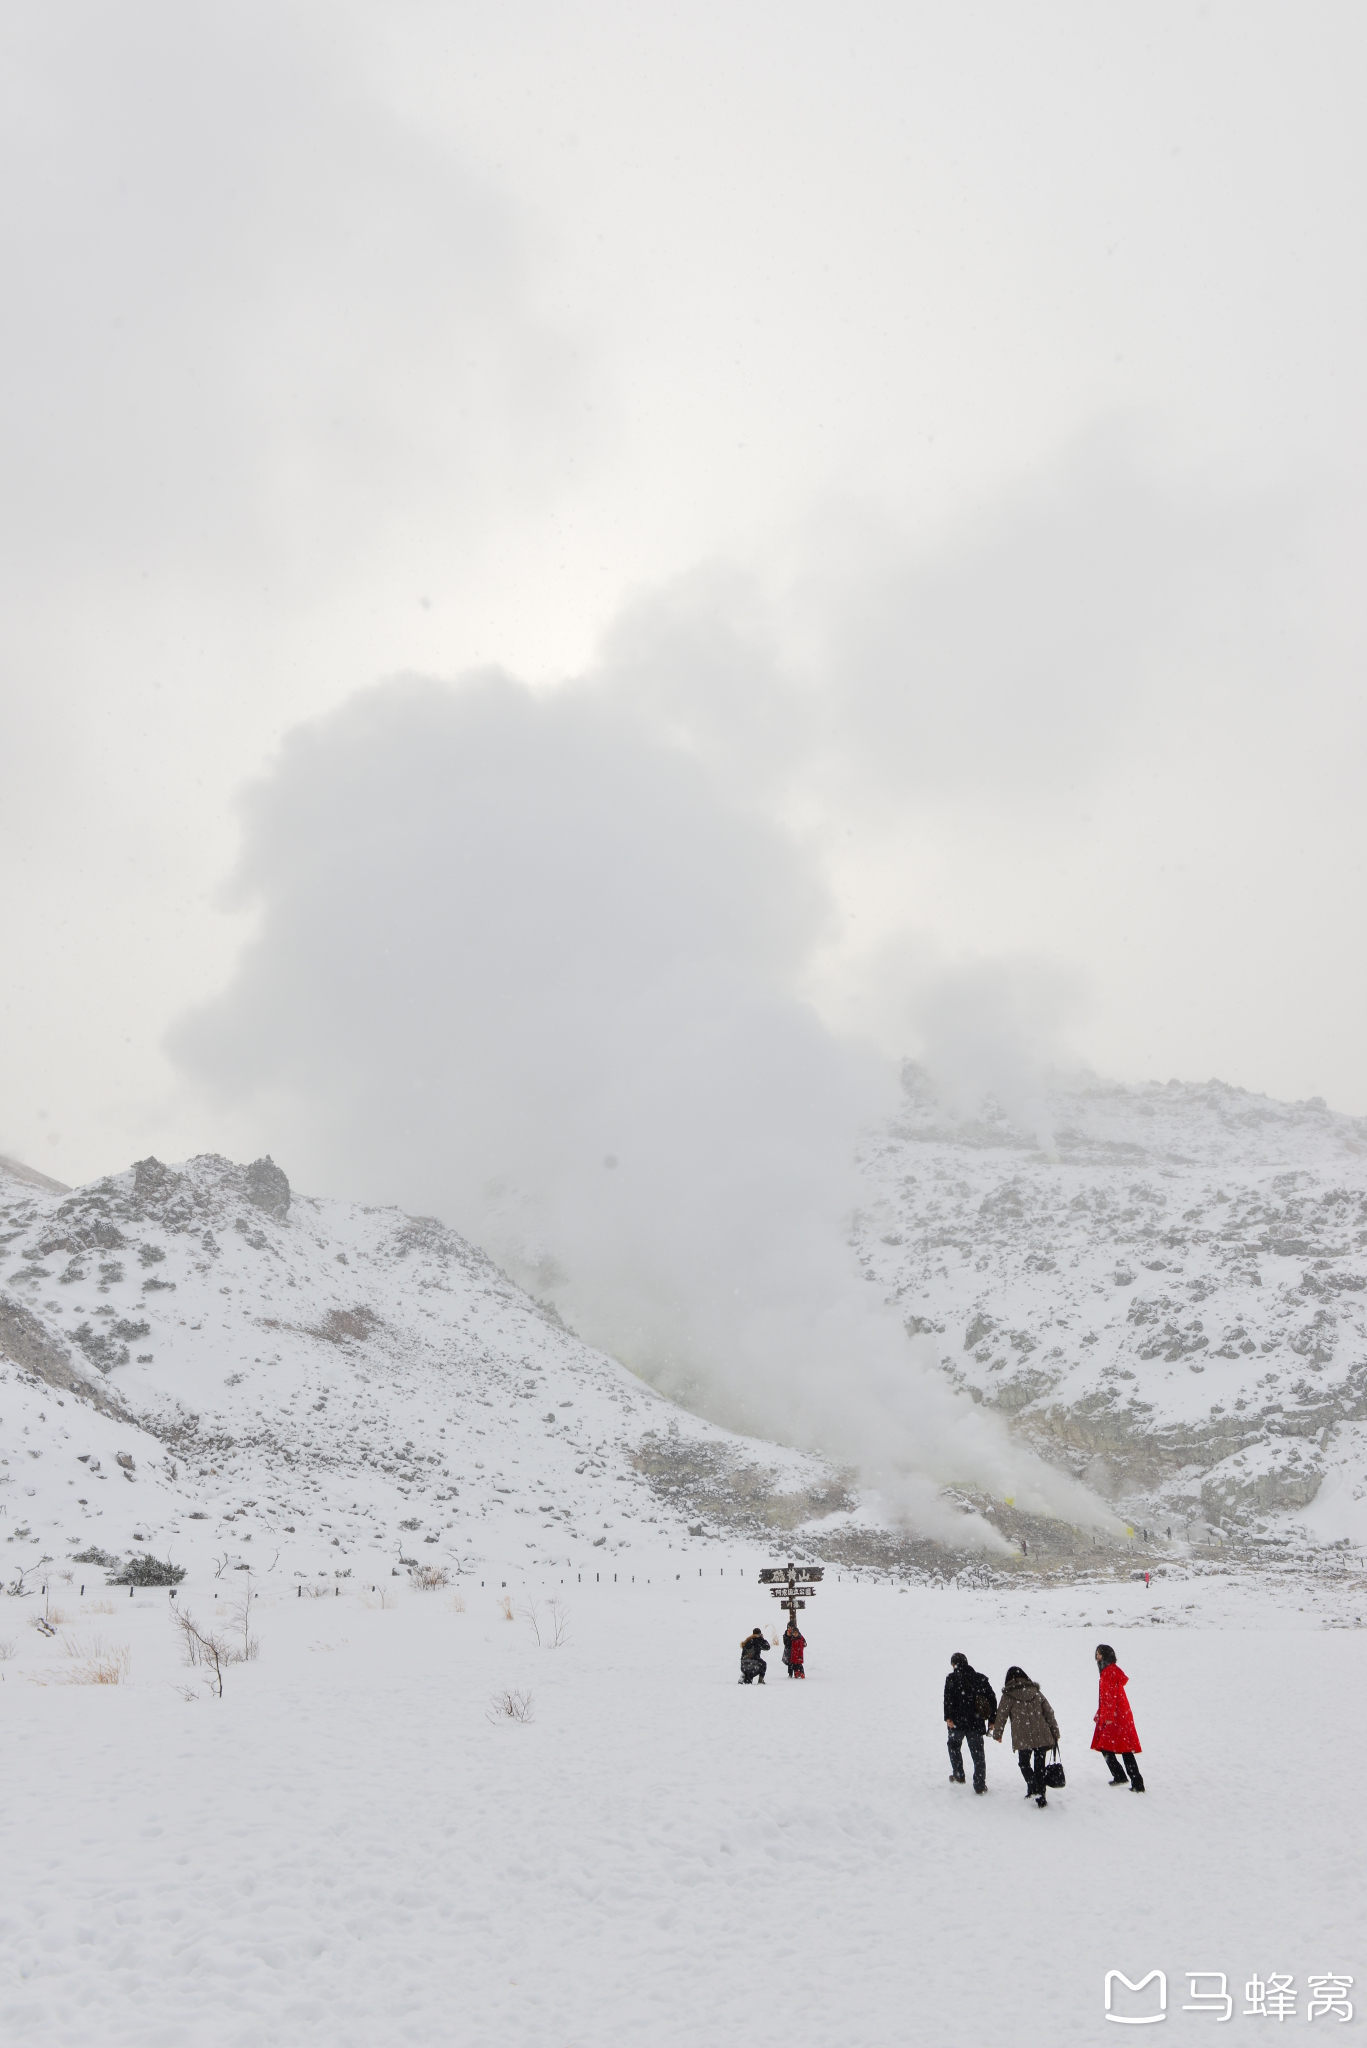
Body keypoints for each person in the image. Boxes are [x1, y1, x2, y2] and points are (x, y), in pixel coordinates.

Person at [991, 1665, 1061, 1806]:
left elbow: (1001, 1715)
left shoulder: (1008, 1695)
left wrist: (998, 1733)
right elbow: (1049, 1712)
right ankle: (1040, 1796)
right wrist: (1055, 1732)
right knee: (1039, 1767)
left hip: (1023, 1737)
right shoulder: (1035, 1692)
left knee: (1024, 1763)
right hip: (1041, 1734)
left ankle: (1033, 1787)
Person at [1092, 1644, 1145, 1791]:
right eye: (1096, 1654)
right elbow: (1108, 1697)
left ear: (1106, 1656)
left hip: (1116, 1717)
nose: (1097, 1657)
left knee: (1110, 1747)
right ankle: (1132, 1780)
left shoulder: (1108, 1672)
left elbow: (1110, 1696)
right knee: (1122, 1748)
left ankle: (1128, 1779)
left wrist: (1107, 1716)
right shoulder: (1110, 1671)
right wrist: (1100, 1713)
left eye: (1099, 1654)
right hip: (1120, 1715)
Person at [943, 1651, 997, 1793]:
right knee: (978, 1753)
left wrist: (948, 1718)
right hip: (976, 1723)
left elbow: (948, 1700)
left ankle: (958, 1775)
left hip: (957, 1724)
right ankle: (979, 1785)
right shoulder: (980, 1678)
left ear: (954, 1665)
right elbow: (992, 1699)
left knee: (953, 1746)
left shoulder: (952, 1678)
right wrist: (992, 1720)